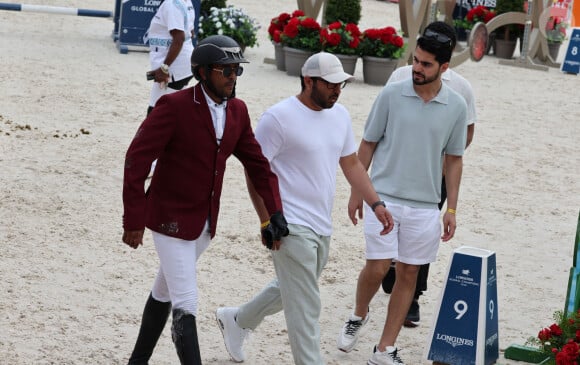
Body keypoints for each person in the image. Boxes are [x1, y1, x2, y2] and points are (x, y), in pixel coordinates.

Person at [214, 52, 394, 365]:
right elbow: (255, 169)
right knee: (307, 306)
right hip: (288, 223)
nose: (337, 91)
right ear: (308, 80)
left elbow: (351, 163)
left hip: (321, 225)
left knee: (293, 289)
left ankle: (239, 320)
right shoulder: (278, 117)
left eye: (341, 85)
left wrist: (375, 203)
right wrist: (266, 220)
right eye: (330, 84)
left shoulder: (339, 116)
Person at [122, 35, 288, 365]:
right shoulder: (174, 107)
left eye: (236, 70)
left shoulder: (238, 112)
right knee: (186, 301)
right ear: (202, 72)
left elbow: (258, 165)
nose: (232, 76)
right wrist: (133, 220)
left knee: (164, 291)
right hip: (169, 221)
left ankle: (137, 361)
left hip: (204, 224)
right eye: (224, 69)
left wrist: (274, 213)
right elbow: (136, 161)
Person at [336, 22, 467, 365]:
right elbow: (368, 143)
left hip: (425, 205)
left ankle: (384, 350)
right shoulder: (392, 93)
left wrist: (451, 208)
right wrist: (356, 193)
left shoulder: (456, 106)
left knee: (409, 274)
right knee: (378, 268)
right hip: (384, 197)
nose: (417, 69)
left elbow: (454, 160)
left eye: (426, 64)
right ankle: (359, 313)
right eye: (416, 60)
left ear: (444, 68)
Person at [380, 21, 478, 329]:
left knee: (422, 233)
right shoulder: (399, 76)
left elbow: (467, 133)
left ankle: (412, 297)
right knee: (387, 225)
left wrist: (443, 157)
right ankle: (390, 268)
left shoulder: (461, 88)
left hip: (433, 175)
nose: (418, 66)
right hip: (395, 169)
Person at [145, 0, 196, 116]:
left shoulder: (172, 4)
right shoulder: (184, 2)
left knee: (155, 112)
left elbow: (179, 39)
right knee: (173, 111)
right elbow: (191, 32)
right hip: (182, 63)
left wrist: (164, 68)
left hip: (174, 67)